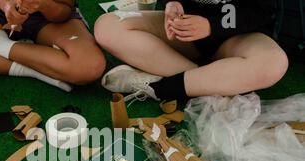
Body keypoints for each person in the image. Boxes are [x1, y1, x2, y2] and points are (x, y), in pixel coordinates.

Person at [94, 0, 289, 102]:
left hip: (238, 39)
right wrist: (171, 4)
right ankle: (206, 82)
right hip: (185, 32)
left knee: (273, 63)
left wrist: (212, 25)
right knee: (107, 26)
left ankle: (159, 87)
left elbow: (263, 11)